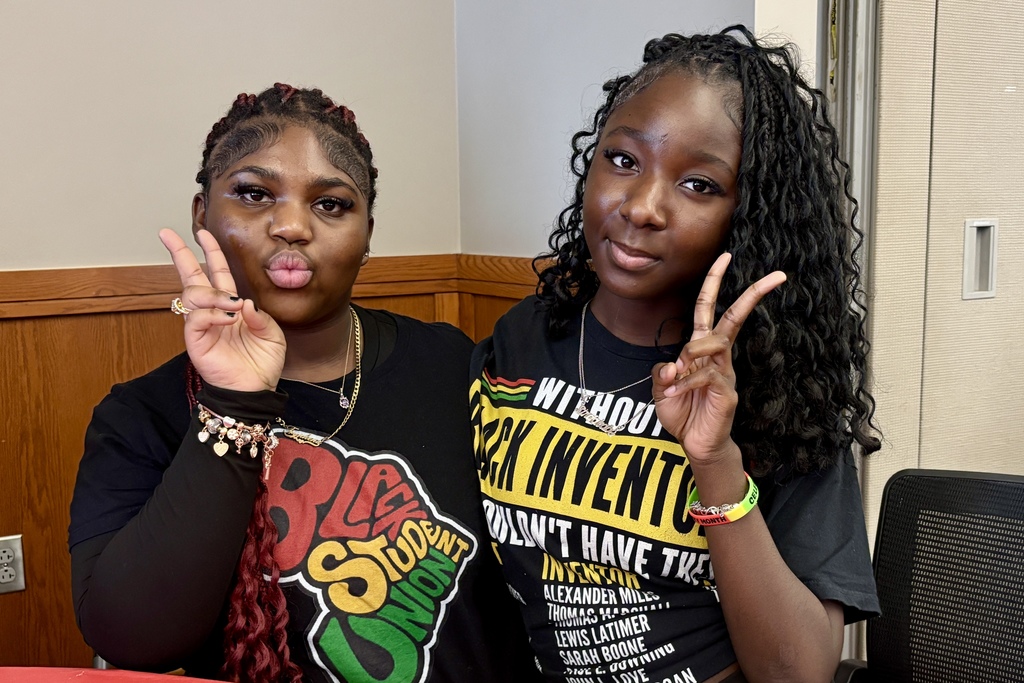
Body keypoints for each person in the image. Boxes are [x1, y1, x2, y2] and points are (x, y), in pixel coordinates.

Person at [69, 84, 541, 683]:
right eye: (254, 193)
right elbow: (132, 639)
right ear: (201, 215)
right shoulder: (140, 416)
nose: (292, 225)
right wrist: (233, 405)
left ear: (367, 234)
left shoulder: (451, 364)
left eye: (332, 204)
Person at [470, 26, 882, 683]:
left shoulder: (781, 392)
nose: (642, 207)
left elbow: (798, 672)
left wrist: (715, 461)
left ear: (748, 213)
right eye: (623, 159)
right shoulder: (522, 339)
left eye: (698, 184)